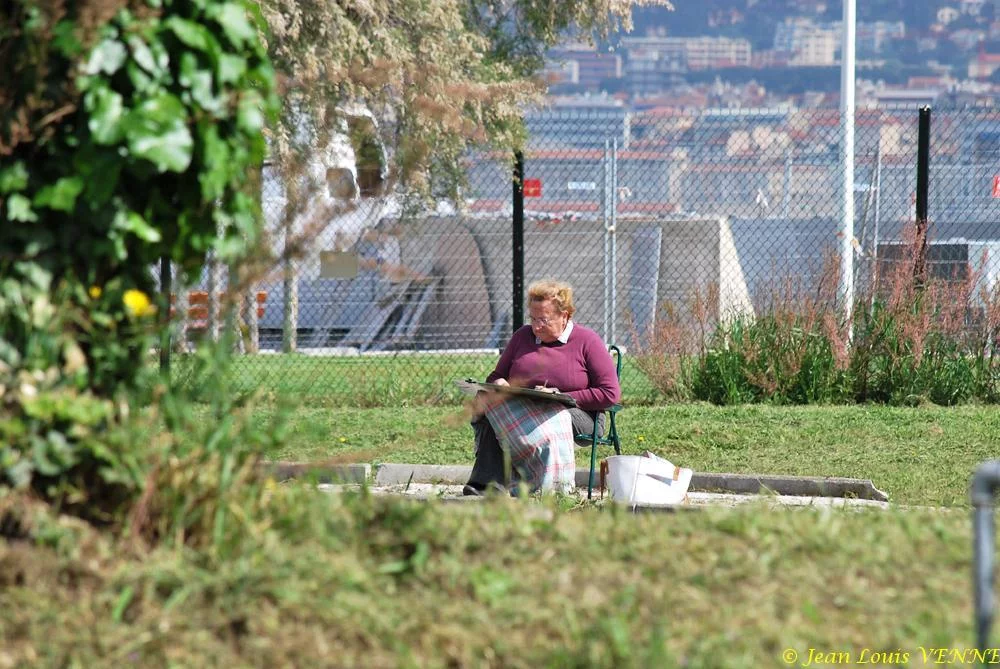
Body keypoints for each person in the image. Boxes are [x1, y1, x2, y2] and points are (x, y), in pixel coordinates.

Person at [464, 279, 621, 495]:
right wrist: (499, 384)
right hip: (526, 408)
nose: (536, 326)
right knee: (491, 401)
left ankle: (550, 488)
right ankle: (487, 485)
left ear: (564, 316)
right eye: (533, 318)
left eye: (544, 320)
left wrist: (561, 396)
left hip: (579, 414)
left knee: (553, 414)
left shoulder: (587, 341)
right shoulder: (522, 336)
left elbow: (610, 393)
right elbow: (497, 376)